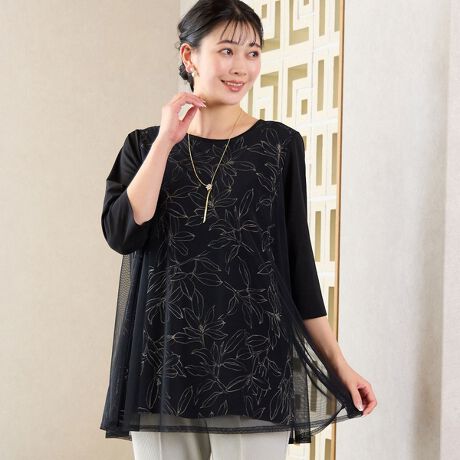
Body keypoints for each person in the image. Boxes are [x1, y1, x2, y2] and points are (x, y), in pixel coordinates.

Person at [99, 1, 377, 459]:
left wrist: (339, 365)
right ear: (189, 56)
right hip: (163, 364)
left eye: (253, 52)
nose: (241, 67)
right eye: (227, 50)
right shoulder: (144, 145)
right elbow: (122, 233)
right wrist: (166, 142)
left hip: (254, 365)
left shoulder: (279, 146)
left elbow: (299, 270)